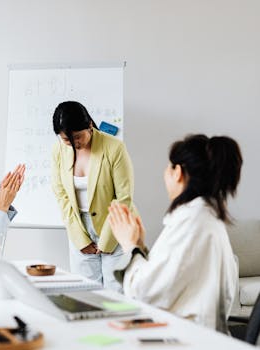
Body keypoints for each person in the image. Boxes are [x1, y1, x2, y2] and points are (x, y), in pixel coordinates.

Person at [109, 134, 242, 332]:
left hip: (188, 338)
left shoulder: (193, 222)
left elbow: (144, 294)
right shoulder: (205, 217)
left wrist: (130, 246)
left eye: (168, 167)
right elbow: (171, 280)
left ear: (177, 172)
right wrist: (140, 246)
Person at [51, 101, 136, 291]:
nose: (75, 144)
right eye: (67, 140)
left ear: (90, 125)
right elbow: (61, 193)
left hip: (114, 224)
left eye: (78, 137)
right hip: (79, 226)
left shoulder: (114, 147)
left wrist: (106, 240)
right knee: (85, 291)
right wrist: (80, 238)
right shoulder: (58, 150)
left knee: (116, 292)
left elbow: (124, 197)